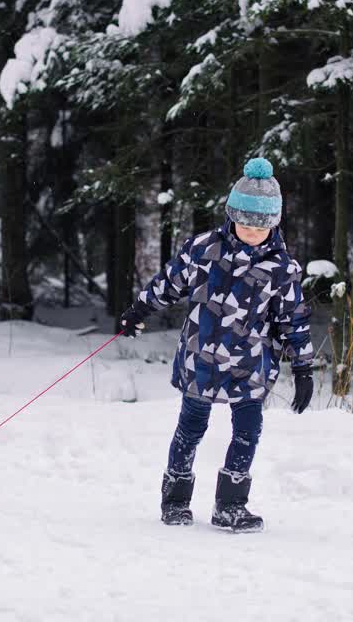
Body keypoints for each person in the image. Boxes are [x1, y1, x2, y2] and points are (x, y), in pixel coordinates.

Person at [120, 158, 315, 533]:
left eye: (259, 226)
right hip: (202, 359)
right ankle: (175, 500)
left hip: (250, 365)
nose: (251, 232)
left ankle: (230, 505)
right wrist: (139, 308)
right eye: (244, 224)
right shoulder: (205, 249)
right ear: (231, 216)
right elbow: (170, 282)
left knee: (248, 430)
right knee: (191, 427)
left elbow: (294, 320)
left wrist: (303, 367)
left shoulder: (282, 269)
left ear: (273, 223)